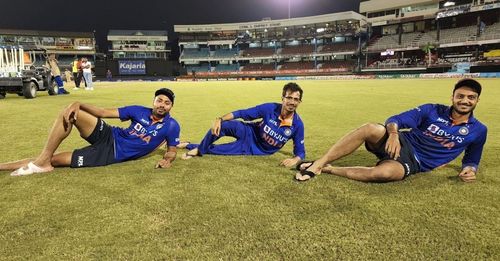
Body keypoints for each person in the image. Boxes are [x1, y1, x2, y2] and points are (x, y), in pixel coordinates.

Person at [295, 78, 487, 183]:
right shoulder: (432, 109)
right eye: (460, 96)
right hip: (398, 142)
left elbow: (471, 159)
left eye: (471, 97)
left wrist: (469, 170)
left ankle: (328, 170)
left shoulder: (479, 130)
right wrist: (394, 134)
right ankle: (319, 163)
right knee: (370, 128)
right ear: (452, 97)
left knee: (384, 174)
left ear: (477, 100)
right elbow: (395, 119)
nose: (465, 101)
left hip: (416, 162)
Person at [1, 88, 180, 176]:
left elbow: (172, 149)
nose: (162, 105)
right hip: (109, 134)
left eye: (167, 103)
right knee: (71, 113)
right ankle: (43, 160)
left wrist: (167, 160)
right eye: (159, 100)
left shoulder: (172, 126)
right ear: (154, 101)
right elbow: (103, 112)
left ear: (171, 106)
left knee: (56, 160)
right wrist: (79, 104)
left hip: (111, 153)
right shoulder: (138, 110)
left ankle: (41, 161)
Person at [179, 82, 305, 168]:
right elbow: (242, 113)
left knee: (220, 150)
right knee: (223, 125)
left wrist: (295, 160)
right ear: (282, 98)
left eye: (296, 99)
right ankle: (199, 149)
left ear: (299, 102)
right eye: (289, 98)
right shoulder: (270, 108)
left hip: (255, 149)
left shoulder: (297, 125)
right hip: (248, 131)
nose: (292, 102)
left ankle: (190, 146)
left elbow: (300, 152)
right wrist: (219, 119)